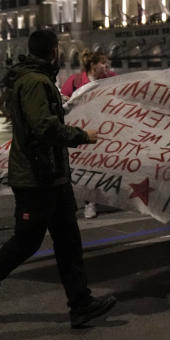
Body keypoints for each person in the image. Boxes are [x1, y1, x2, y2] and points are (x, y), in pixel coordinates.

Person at [0, 29, 116, 328]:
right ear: (53, 50)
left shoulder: (39, 77)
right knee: (26, 242)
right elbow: (43, 127)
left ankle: (80, 304)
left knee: (68, 240)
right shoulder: (35, 81)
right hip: (36, 177)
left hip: (52, 175)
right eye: (58, 47)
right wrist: (82, 136)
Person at [61, 49, 114, 219]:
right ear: (93, 65)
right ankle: (89, 202)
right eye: (103, 63)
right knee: (86, 166)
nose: (106, 66)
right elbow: (62, 100)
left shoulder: (111, 77)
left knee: (101, 165)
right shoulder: (75, 81)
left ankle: (97, 198)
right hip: (82, 131)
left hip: (104, 128)